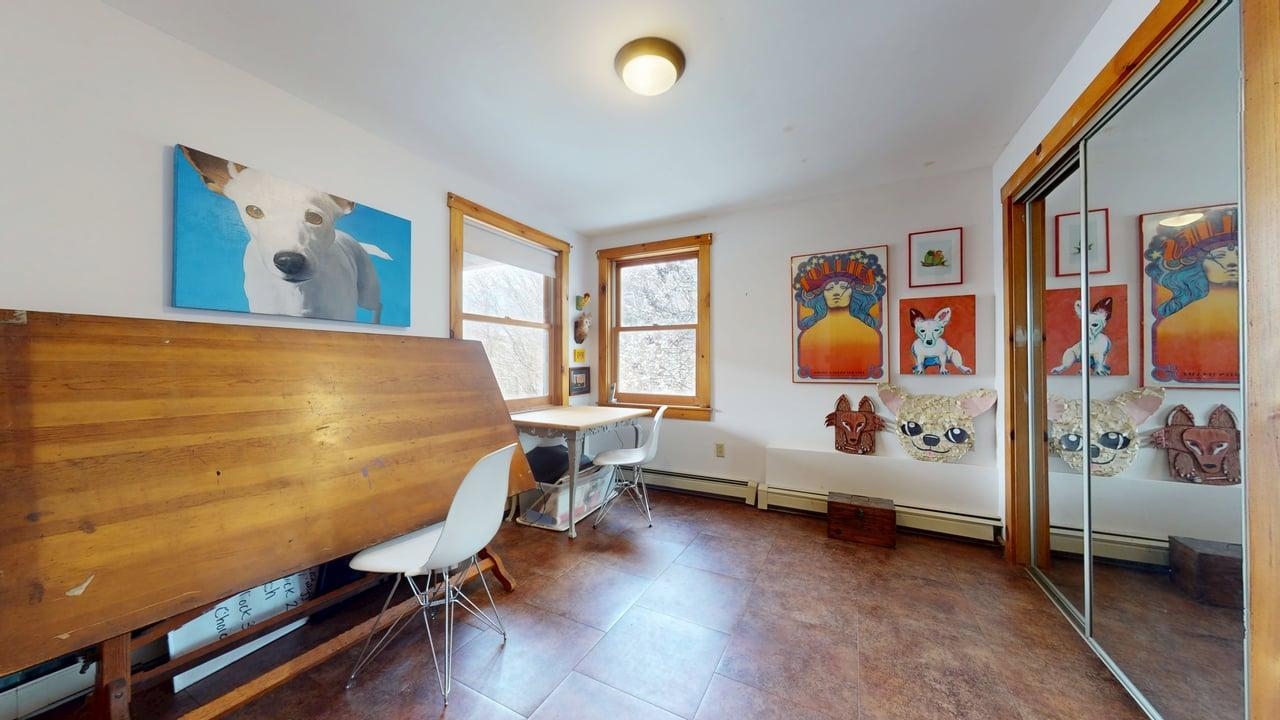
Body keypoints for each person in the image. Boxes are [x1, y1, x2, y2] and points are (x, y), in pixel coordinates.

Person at [1143, 206, 1239, 385]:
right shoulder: (1177, 319)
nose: (1232, 263)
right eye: (1220, 256)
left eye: (1239, 255)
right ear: (1201, 266)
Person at [793, 250, 887, 380]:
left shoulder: (870, 334)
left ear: (854, 293)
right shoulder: (807, 336)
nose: (836, 293)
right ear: (822, 295)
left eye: (843, 287)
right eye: (829, 288)